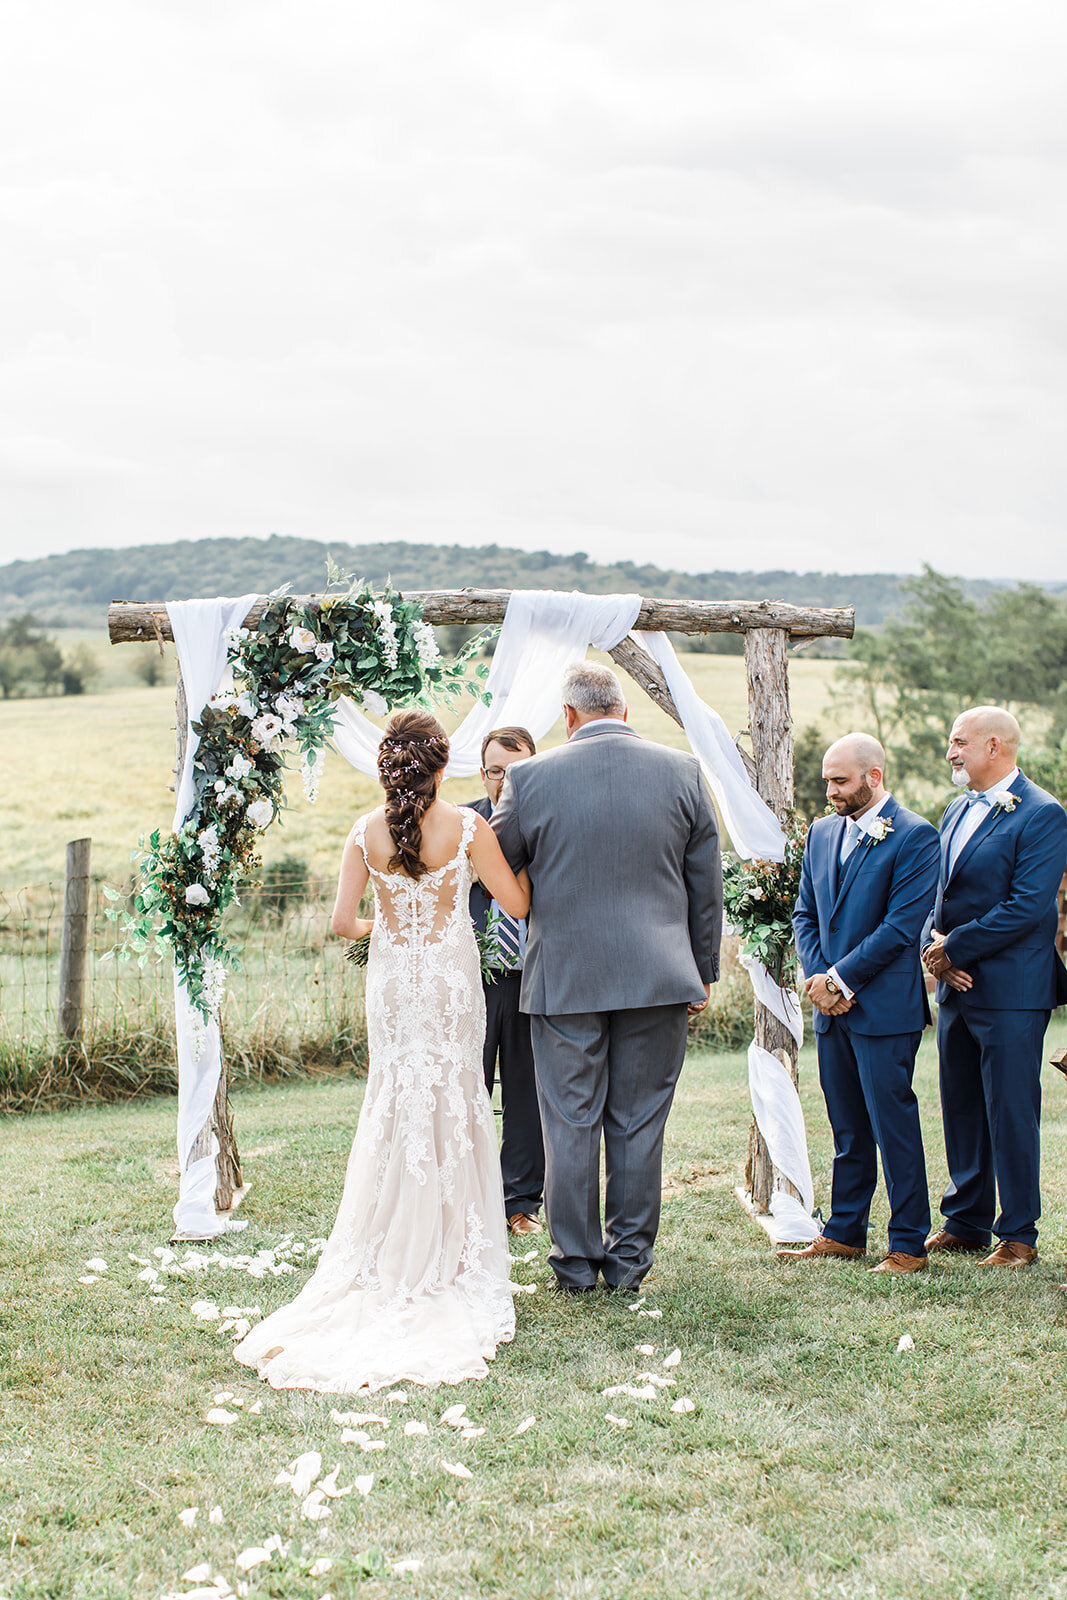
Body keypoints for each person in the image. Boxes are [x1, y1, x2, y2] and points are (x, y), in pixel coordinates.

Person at [234, 710, 531, 1392]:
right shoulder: (468, 827)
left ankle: (386, 1243)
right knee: (455, 1097)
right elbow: (514, 905)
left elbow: (343, 923)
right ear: (441, 764)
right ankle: (448, 1250)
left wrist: (394, 923)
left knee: (396, 1097)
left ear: (387, 764)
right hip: (452, 981)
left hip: (395, 982)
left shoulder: (364, 831)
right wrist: (451, 914)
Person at [491, 661, 721, 1293]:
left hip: (563, 979)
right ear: (624, 712)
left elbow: (497, 866)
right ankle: (627, 1266)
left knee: (568, 1121)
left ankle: (573, 1265)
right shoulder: (681, 771)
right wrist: (702, 971)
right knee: (640, 1120)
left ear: (568, 717)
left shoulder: (529, 778)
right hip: (659, 976)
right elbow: (706, 887)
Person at [785, 734, 940, 1274]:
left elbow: (901, 927)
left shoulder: (916, 836)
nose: (829, 790)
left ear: (873, 776)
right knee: (847, 1126)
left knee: (892, 1124)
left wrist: (842, 980)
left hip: (884, 1009)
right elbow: (805, 913)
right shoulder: (821, 832)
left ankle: (907, 1243)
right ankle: (846, 1231)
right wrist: (818, 979)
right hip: (830, 1008)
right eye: (826, 779)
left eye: (840, 780)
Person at [921, 706, 1067, 1267]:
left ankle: (1019, 1235)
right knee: (960, 1104)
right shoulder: (956, 810)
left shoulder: (1043, 813)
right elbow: (941, 899)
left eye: (958, 742)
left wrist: (954, 948)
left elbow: (1028, 908)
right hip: (955, 986)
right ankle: (965, 1220)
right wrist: (935, 956)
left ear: (994, 746)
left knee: (1010, 1109)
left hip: (1012, 990)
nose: (950, 752)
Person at [464, 727, 546, 1237]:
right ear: (483, 773)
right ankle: (467, 1199)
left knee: (527, 1093)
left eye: (517, 772)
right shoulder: (462, 824)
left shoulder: (550, 823)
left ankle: (519, 1204)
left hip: (534, 978)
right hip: (470, 979)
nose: (505, 781)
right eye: (497, 770)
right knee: (467, 1089)